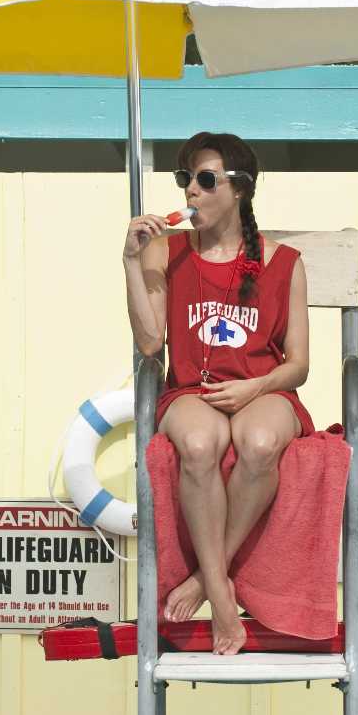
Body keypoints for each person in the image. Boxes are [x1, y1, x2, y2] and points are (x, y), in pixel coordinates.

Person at [122, 132, 313, 656]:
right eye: (186, 180)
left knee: (258, 442)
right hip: (190, 390)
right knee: (200, 446)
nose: (192, 193)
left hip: (263, 388)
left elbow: (298, 366)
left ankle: (207, 582)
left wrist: (256, 385)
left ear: (240, 190)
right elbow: (149, 343)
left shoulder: (284, 262)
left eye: (206, 181)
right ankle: (224, 602)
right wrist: (130, 263)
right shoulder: (166, 251)